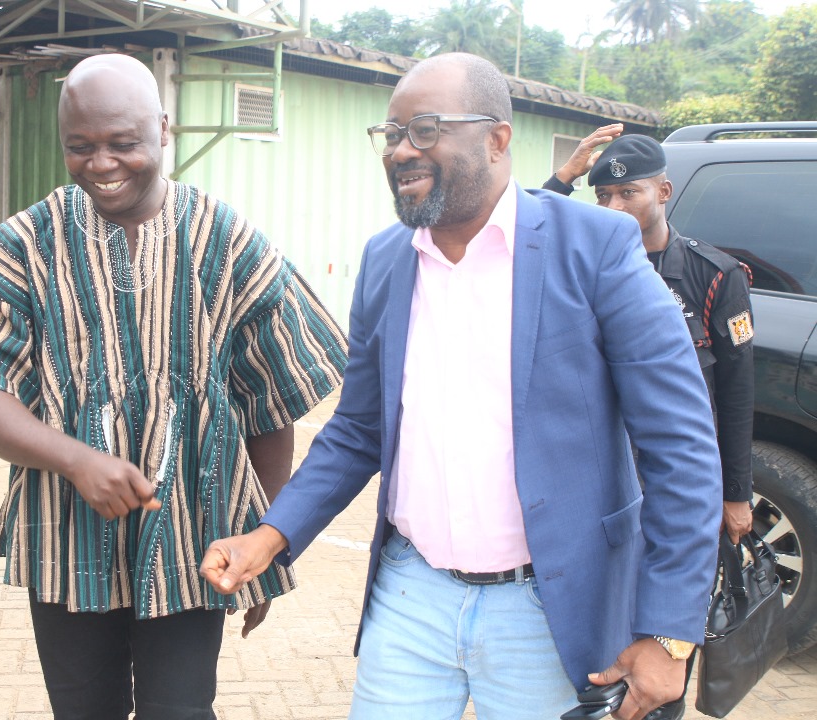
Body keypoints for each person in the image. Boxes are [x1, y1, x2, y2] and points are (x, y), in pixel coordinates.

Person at [200, 52, 723, 720]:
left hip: (550, 607)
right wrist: (269, 537)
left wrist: (671, 632)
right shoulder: (387, 260)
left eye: (425, 130)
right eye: (390, 135)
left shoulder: (596, 248)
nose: (400, 152)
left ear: (497, 139)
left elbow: (681, 447)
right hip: (412, 598)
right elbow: (359, 430)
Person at [0, 54, 347, 720]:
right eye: (79, 147)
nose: (101, 163)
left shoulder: (225, 241)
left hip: (195, 541)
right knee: (85, 711)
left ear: (163, 130)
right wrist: (75, 458)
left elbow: (270, 401)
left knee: (181, 710)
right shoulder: (25, 244)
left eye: (123, 143)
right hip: (66, 537)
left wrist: (264, 541)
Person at [544, 132, 757, 720]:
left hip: (675, 486)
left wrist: (733, 494)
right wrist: (561, 179)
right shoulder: (578, 266)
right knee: (596, 622)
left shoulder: (714, 275)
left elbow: (738, 395)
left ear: (663, 191)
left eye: (629, 193)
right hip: (604, 485)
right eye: (603, 195)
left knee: (667, 624)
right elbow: (518, 249)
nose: (614, 208)